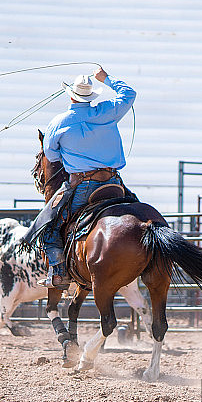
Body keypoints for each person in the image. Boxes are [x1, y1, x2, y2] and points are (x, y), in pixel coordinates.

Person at [38, 66, 136, 289]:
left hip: (83, 186)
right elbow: (129, 94)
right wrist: (105, 78)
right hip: (114, 184)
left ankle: (59, 272)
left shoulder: (59, 123)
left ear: (71, 95)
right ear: (91, 95)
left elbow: (51, 155)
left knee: (50, 226)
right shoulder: (108, 110)